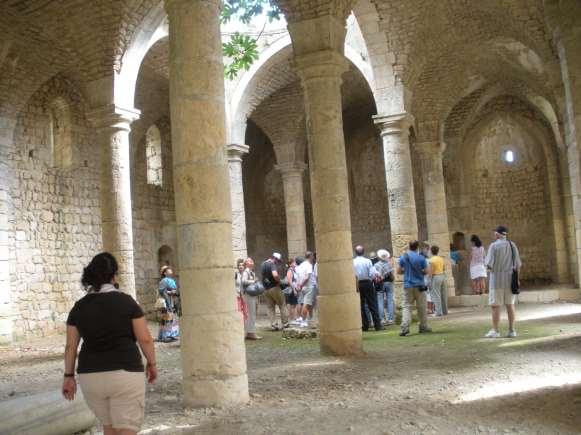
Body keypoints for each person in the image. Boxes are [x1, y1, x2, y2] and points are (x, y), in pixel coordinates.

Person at [62, 253, 157, 435]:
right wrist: (151, 363)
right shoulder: (127, 303)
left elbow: (70, 347)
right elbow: (145, 339)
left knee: (110, 427)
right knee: (126, 428)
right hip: (125, 373)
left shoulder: (78, 307)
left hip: (90, 377)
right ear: (114, 275)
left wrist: (68, 376)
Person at [484, 226, 522, 338]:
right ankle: (512, 330)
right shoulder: (512, 245)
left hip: (497, 280)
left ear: (497, 234)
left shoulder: (493, 246)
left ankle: (495, 331)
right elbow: (518, 265)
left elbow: (489, 265)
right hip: (510, 280)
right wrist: (517, 279)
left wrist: (488, 270)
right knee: (510, 305)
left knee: (495, 306)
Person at [398, 240, 431, 336]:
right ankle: (423, 326)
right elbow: (427, 271)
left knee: (407, 306)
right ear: (417, 247)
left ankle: (405, 327)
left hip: (408, 285)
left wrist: (407, 271)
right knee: (422, 307)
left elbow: (399, 271)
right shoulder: (421, 258)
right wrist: (420, 272)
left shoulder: (403, 257)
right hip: (419, 285)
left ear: (409, 246)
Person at [353, 245, 383, 331]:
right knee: (372, 304)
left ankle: (365, 326)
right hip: (368, 282)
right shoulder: (368, 261)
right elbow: (372, 273)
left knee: (361, 305)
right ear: (363, 252)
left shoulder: (353, 262)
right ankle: (377, 325)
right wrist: (376, 277)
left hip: (358, 284)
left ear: (356, 252)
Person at [260, 252, 288, 330]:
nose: (278, 263)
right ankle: (285, 323)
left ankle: (273, 325)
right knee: (282, 304)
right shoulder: (272, 264)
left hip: (266, 289)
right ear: (275, 258)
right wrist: (280, 281)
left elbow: (263, 276)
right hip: (274, 287)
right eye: (278, 261)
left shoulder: (263, 264)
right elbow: (275, 275)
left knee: (270, 307)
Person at [157, 266, 179, 342]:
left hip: (172, 301)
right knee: (166, 319)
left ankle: (171, 335)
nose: (170, 271)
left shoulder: (171, 280)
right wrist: (169, 292)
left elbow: (175, 290)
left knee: (172, 318)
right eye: (168, 270)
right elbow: (161, 291)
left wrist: (174, 292)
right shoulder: (164, 281)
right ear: (165, 273)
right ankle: (164, 336)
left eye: (170, 270)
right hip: (166, 302)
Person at [241, 257, 262, 340]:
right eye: (249, 261)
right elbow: (243, 281)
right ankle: (251, 333)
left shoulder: (250, 272)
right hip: (249, 295)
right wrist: (253, 281)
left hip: (251, 294)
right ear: (246, 263)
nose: (252, 261)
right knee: (251, 314)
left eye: (252, 260)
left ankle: (249, 332)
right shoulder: (246, 271)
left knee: (250, 314)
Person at [295, 251, 317, 328]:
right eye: (313, 256)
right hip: (309, 286)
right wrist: (301, 285)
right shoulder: (308, 265)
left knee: (309, 303)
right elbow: (307, 277)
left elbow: (298, 278)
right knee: (306, 304)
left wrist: (298, 286)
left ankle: (310, 319)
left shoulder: (300, 266)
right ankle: (303, 321)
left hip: (303, 287)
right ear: (310, 256)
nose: (314, 257)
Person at [375, 249, 395, 325]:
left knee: (380, 301)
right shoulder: (389, 264)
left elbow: (376, 275)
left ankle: (382, 320)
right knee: (390, 300)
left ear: (379, 257)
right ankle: (390, 319)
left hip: (380, 283)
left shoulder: (376, 265)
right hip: (389, 283)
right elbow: (392, 275)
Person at [428, 245, 448, 317]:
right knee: (443, 294)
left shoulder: (431, 260)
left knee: (436, 295)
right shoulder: (441, 259)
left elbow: (431, 271)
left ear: (431, 251)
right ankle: (445, 310)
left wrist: (429, 280)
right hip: (443, 276)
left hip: (435, 276)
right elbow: (444, 268)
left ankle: (438, 312)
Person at [285, 258, 299, 322]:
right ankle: (292, 318)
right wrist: (294, 290)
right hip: (291, 290)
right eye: (294, 262)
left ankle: (293, 318)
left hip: (293, 289)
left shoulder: (293, 270)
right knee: (292, 304)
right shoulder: (290, 271)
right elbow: (290, 281)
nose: (295, 263)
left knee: (294, 304)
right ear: (290, 264)